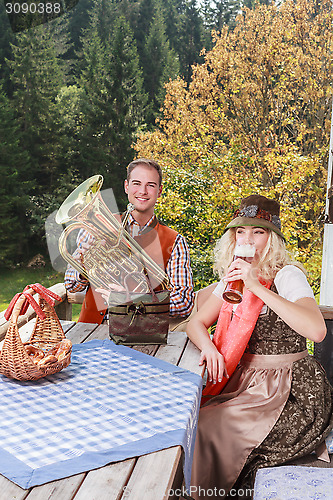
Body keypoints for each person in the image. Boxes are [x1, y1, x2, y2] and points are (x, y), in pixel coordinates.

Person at [186, 194, 333, 499]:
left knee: (209, 429)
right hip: (247, 381)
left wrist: (255, 286)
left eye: (258, 232)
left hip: (289, 388)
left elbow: (317, 330)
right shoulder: (233, 276)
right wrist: (209, 348)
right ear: (233, 237)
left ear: (272, 238)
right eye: (241, 232)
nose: (248, 240)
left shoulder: (287, 275)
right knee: (189, 418)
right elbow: (194, 324)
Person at [64, 158, 194, 326]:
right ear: (126, 186)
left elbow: (184, 302)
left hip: (142, 334)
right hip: (91, 328)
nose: (143, 191)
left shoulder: (175, 241)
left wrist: (136, 301)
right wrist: (84, 267)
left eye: (151, 185)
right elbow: (71, 285)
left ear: (160, 191)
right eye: (137, 183)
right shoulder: (96, 228)